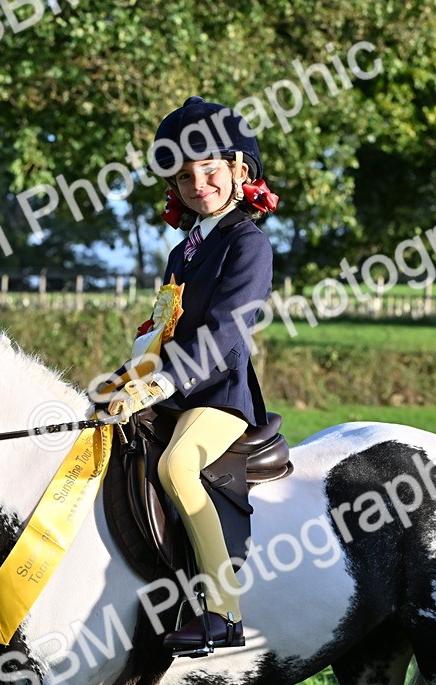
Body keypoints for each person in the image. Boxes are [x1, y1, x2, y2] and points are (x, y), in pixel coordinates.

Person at [107, 96, 280, 654]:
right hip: (172, 390)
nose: (197, 183)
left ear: (238, 172)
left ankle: (222, 614)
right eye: (184, 176)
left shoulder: (247, 244)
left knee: (179, 466)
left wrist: (160, 384)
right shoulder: (183, 251)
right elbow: (164, 327)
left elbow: (227, 333)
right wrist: (129, 376)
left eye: (209, 170)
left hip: (218, 396)